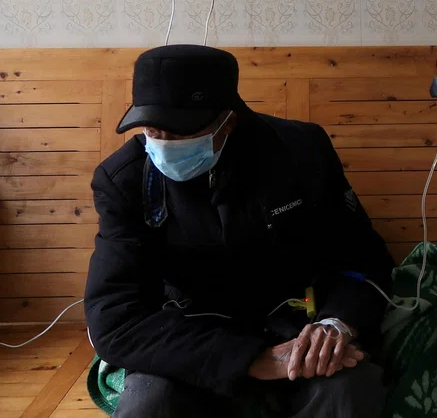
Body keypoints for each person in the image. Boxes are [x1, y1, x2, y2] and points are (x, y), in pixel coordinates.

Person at [84, 45, 394, 418]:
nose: (164, 143)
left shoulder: (301, 152)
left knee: (348, 388)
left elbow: (364, 260)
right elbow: (114, 316)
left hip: (298, 325)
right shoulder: (123, 179)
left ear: (228, 121)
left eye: (181, 132)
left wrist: (336, 323)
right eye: (152, 130)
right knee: (150, 404)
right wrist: (249, 359)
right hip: (188, 337)